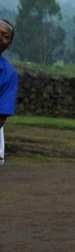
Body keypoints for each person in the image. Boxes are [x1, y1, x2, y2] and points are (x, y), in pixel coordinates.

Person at [0, 19, 18, 166]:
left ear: (9, 44)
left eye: (5, 35)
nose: (0, 37)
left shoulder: (8, 74)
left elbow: (1, 115)